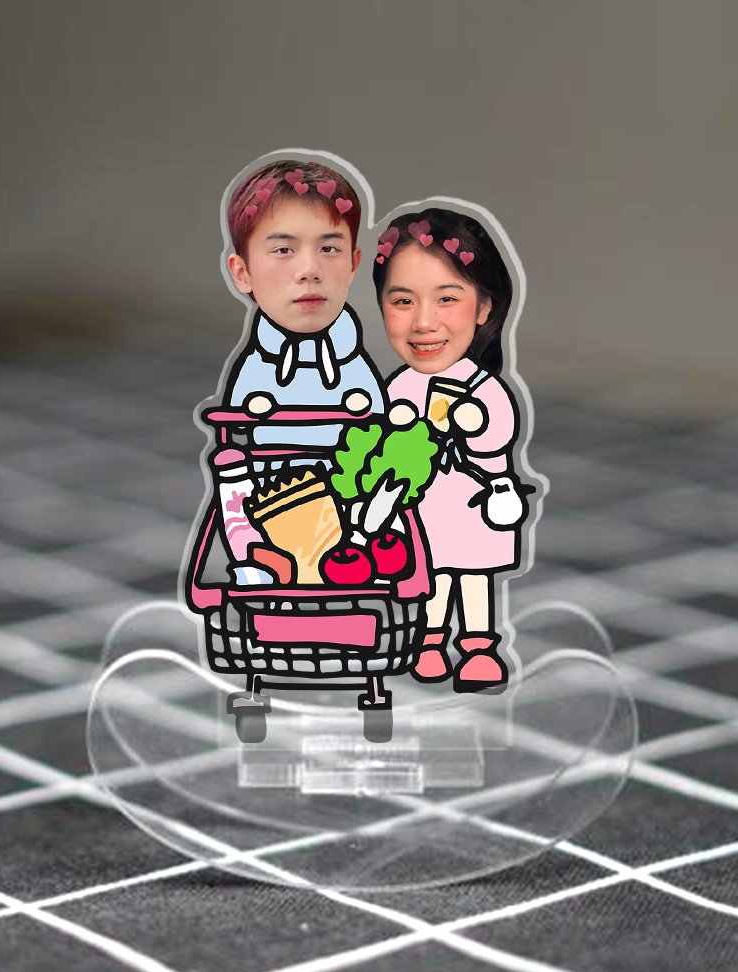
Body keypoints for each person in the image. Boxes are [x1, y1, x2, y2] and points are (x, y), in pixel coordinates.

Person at [373, 208, 541, 691]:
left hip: (471, 504)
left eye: (447, 298)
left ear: (485, 307)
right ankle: (429, 643)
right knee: (429, 577)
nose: (424, 322)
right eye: (403, 301)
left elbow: (493, 437)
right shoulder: (397, 389)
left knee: (472, 577)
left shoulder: (484, 390)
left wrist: (471, 423)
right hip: (419, 507)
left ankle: (478, 648)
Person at [220, 159, 385, 449]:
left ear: (352, 265)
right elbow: (236, 436)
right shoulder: (255, 370)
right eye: (283, 249)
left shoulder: (356, 368)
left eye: (329, 248)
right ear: (242, 273)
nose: (310, 270)